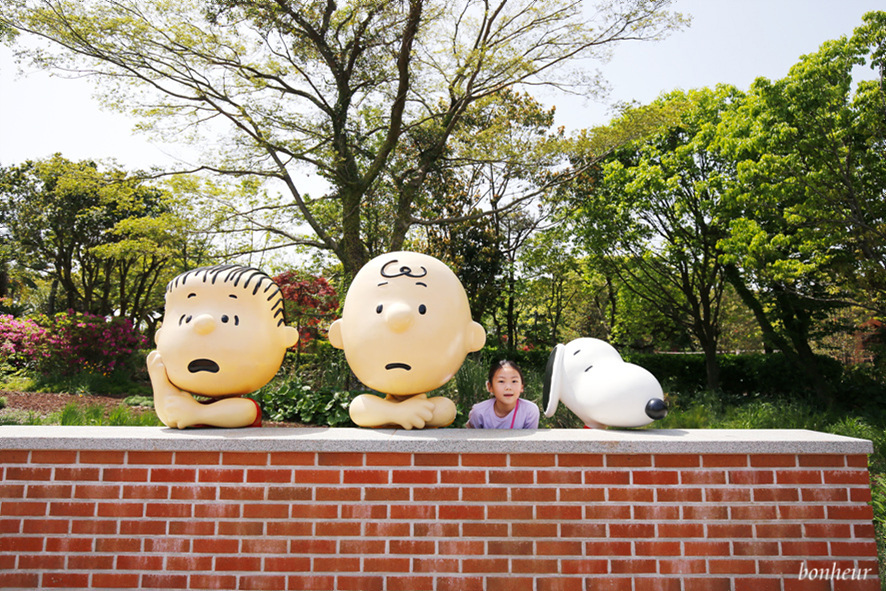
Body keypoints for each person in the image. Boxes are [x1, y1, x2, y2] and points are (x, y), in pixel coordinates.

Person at [328, 251, 486, 429]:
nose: (398, 316)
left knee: (445, 409)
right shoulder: (364, 404)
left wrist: (403, 412)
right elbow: (358, 411)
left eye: (422, 308)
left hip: (419, 425)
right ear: (340, 334)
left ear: (472, 337)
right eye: (379, 308)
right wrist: (399, 413)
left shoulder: (439, 406)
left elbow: (445, 413)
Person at [147, 264, 299, 429]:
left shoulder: (244, 408)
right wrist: (159, 380)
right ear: (159, 336)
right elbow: (171, 415)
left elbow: (246, 413)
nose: (203, 323)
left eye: (230, 319)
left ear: (285, 337)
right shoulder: (186, 405)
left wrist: (195, 414)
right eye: (186, 318)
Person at [467, 360, 540, 429]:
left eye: (514, 381)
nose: (508, 387)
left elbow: (529, 441)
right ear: (490, 387)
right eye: (501, 381)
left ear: (521, 387)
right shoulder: (479, 413)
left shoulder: (529, 411)